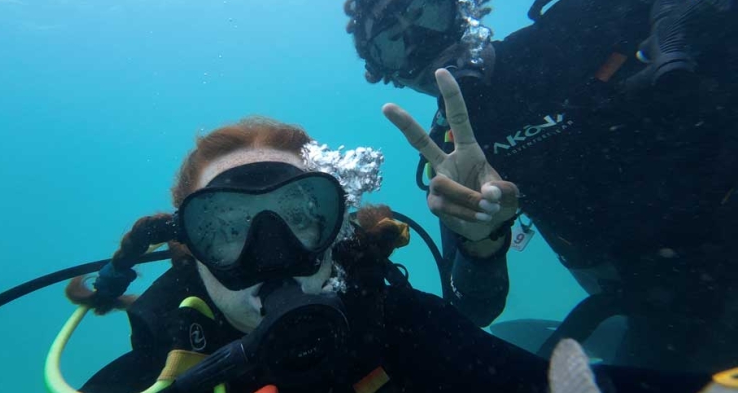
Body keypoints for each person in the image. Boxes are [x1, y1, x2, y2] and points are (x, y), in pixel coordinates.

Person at [45, 115, 721, 393]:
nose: (272, 256)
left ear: (335, 230)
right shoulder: (163, 363)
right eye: (228, 227)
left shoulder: (395, 323)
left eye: (299, 218)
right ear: (189, 251)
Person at [337, 0, 738, 372]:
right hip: (669, 307)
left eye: (427, 11)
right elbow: (475, 308)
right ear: (391, 74)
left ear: (462, 5)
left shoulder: (577, 30)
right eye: (393, 43)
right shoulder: (453, 158)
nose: (421, 44)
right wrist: (480, 242)